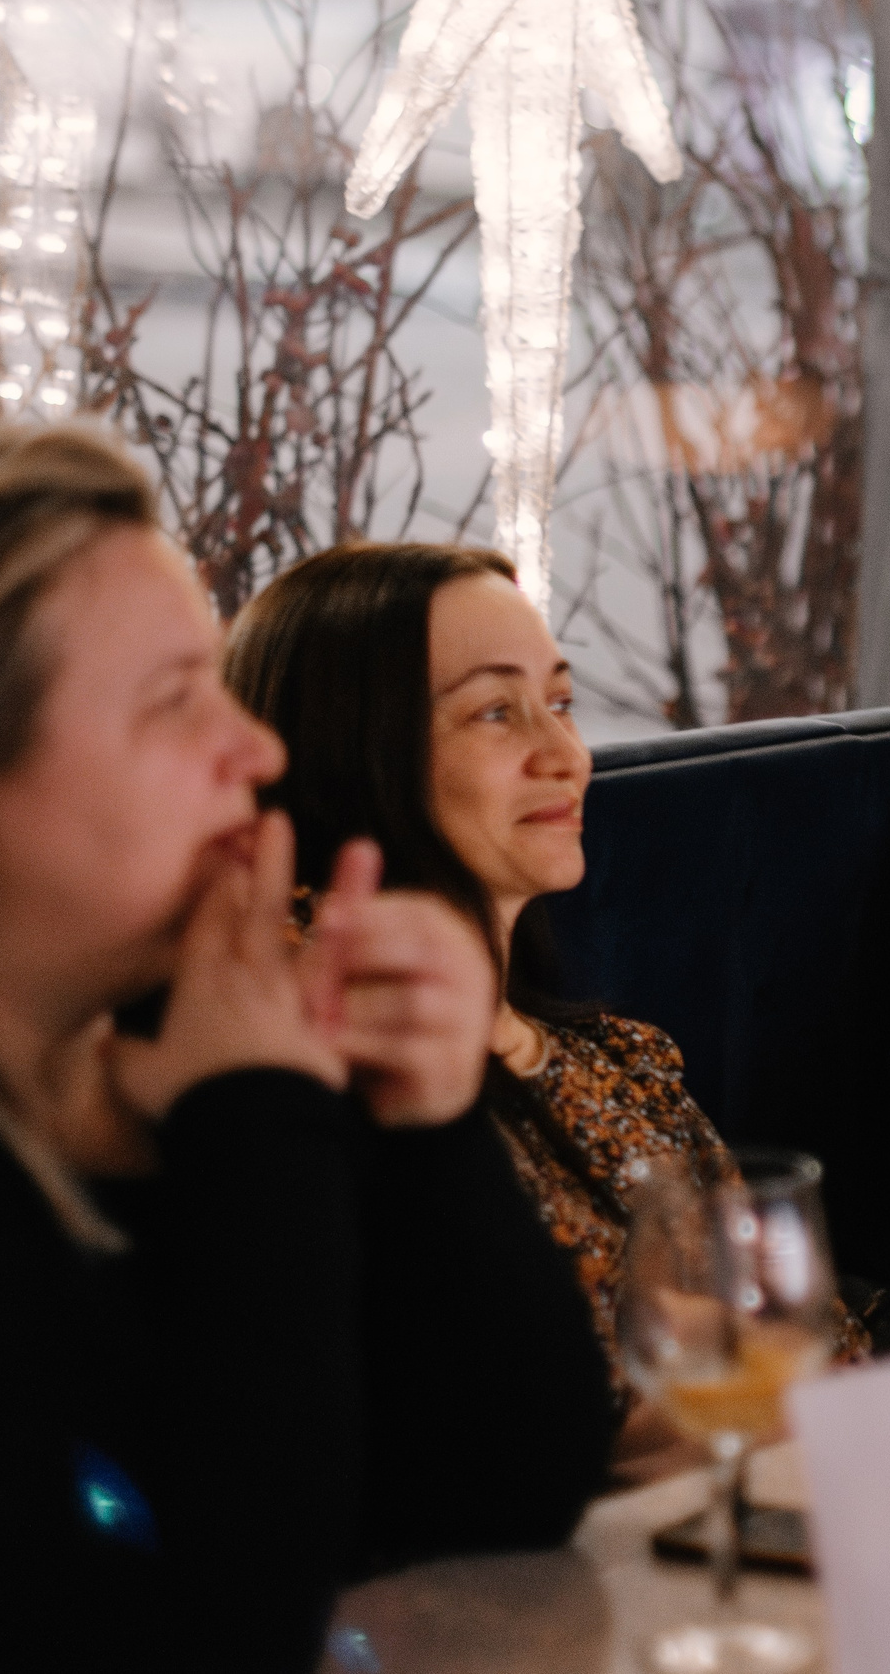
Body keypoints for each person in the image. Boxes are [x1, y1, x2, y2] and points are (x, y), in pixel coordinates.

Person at [0, 425, 614, 1673]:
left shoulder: (210, 1055)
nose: (260, 755)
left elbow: (513, 1492)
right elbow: (211, 1621)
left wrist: (434, 1119)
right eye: (175, 705)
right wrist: (255, 1118)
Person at [225, 544, 737, 1449]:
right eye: (497, 711)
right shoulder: (303, 1052)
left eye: (564, 703)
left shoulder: (623, 1062)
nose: (565, 754)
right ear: (356, 747)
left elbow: (799, 1337)